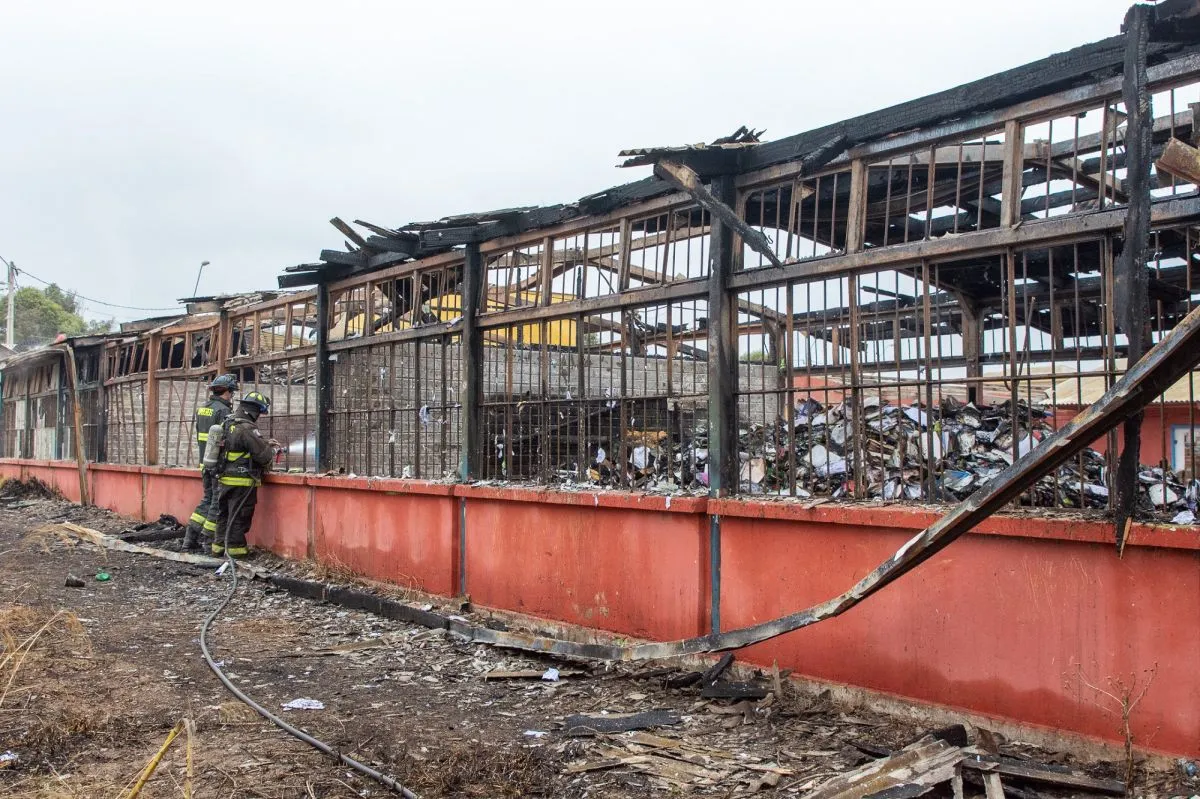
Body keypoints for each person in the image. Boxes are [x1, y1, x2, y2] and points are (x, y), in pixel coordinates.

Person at [213, 391, 278, 558]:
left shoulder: (228, 423)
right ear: (254, 411)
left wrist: (264, 443)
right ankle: (236, 551)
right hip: (242, 480)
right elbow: (262, 456)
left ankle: (218, 547)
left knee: (224, 513)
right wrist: (272, 449)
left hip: (224, 479)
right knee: (239, 515)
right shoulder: (247, 428)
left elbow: (237, 446)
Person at [183, 373, 238, 551]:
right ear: (227, 392)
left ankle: (190, 538)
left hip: (204, 463)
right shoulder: (224, 411)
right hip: (218, 465)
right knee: (216, 503)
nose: (232, 396)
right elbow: (229, 439)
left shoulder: (202, 409)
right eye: (232, 392)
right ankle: (208, 543)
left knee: (207, 499)